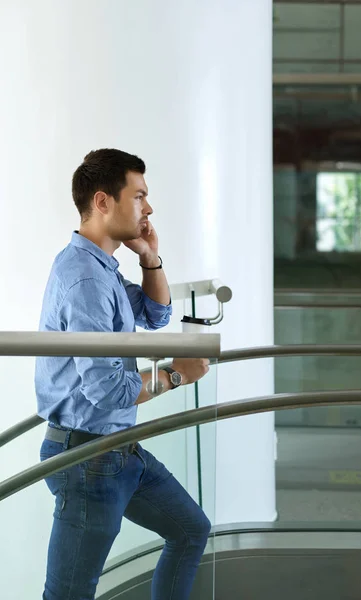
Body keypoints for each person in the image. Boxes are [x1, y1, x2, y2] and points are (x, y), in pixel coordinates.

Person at [35, 148, 211, 600]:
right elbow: (108, 391)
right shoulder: (86, 280)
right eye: (139, 196)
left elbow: (156, 314)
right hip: (88, 459)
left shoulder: (101, 268)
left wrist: (149, 256)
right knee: (68, 595)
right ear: (102, 201)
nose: (148, 208)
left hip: (115, 450)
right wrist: (176, 375)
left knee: (191, 530)